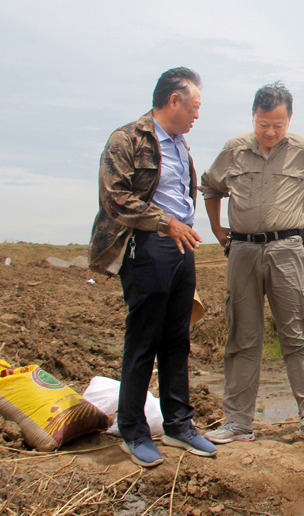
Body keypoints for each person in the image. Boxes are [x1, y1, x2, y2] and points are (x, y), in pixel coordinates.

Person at [201, 82, 304, 449]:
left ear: (289, 119)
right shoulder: (234, 149)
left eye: (278, 125)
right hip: (243, 251)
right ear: (254, 117)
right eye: (264, 124)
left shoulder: (302, 150)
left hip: (286, 250)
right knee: (241, 337)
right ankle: (237, 422)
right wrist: (218, 227)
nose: (270, 132)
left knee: (297, 335)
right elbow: (211, 185)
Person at [89, 67, 217, 468]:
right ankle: (133, 430)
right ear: (174, 101)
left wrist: (180, 228)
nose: (198, 116)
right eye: (194, 108)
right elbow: (115, 197)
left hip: (181, 247)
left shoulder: (181, 145)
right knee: (144, 338)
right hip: (147, 246)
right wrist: (165, 223)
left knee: (177, 339)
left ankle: (179, 424)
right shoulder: (127, 138)